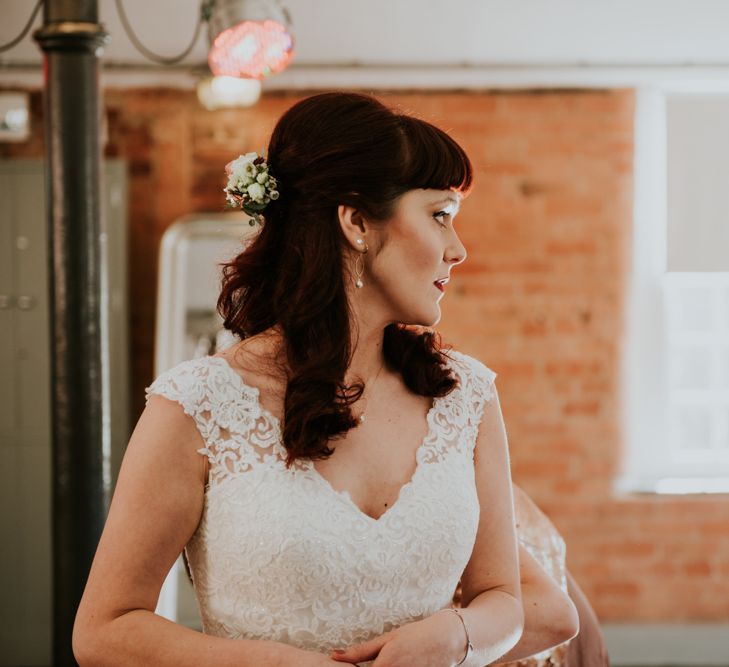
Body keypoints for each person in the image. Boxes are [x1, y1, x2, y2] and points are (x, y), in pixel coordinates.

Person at [73, 92, 580, 666]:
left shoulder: (465, 395)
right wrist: (279, 664)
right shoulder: (198, 404)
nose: (457, 250)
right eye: (440, 215)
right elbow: (104, 631)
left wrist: (458, 636)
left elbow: (507, 601)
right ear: (358, 222)